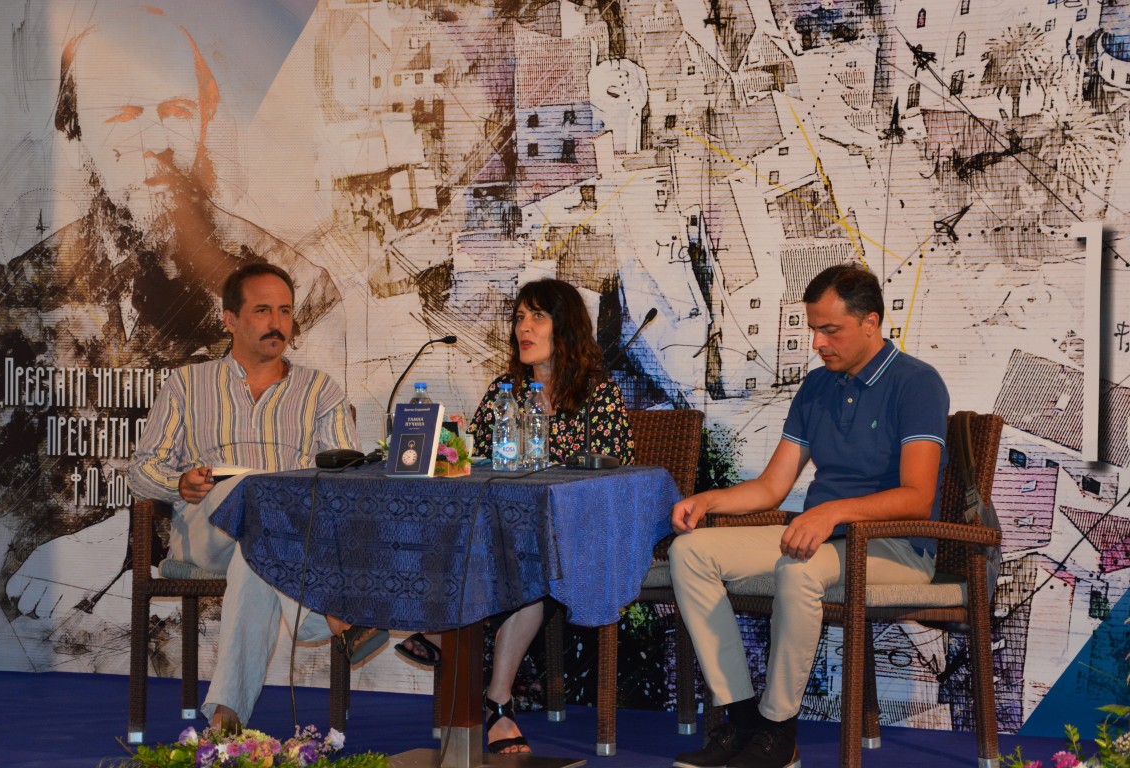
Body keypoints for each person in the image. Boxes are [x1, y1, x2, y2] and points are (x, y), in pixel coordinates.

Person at [0, 6, 344, 643]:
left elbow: (310, 473)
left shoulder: (301, 290)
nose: (155, 139)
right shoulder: (26, 287)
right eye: (123, 114)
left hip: (222, 581)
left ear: (205, 118)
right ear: (74, 124)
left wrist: (124, 541)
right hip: (56, 609)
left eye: (176, 109)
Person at [669, 264, 949, 768]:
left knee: (797, 568)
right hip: (824, 538)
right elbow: (772, 487)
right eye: (814, 329)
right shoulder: (817, 387)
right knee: (689, 551)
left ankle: (779, 733)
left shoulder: (918, 383)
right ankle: (744, 720)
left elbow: (917, 496)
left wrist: (832, 513)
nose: (818, 342)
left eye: (831, 330)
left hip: (896, 546)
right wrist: (708, 500)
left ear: (871, 322)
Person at [128, 262, 384, 731]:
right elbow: (141, 470)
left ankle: (225, 717)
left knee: (258, 555)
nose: (277, 323)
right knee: (252, 498)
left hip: (274, 540)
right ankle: (330, 616)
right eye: (263, 310)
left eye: (285, 311)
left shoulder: (319, 390)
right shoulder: (187, 385)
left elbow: (344, 479)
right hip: (207, 531)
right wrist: (178, 484)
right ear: (230, 319)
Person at [396, 277, 635, 754]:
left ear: (565, 327)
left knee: (530, 561)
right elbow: (478, 465)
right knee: (454, 538)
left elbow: (617, 471)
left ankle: (487, 686)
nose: (524, 328)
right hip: (504, 535)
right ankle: (468, 666)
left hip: (574, 536)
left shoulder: (599, 395)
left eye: (537, 317)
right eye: (519, 318)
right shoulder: (505, 391)